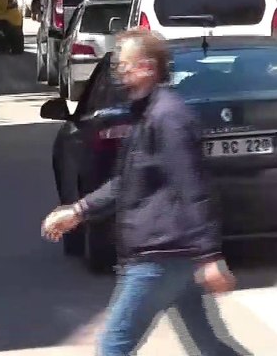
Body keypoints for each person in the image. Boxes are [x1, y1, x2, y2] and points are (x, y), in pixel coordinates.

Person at [40, 29, 238, 356]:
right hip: (172, 253)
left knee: (113, 347)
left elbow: (192, 185)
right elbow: (126, 183)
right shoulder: (146, 115)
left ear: (148, 67)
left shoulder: (167, 117)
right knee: (208, 346)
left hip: (161, 255)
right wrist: (78, 211)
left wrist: (209, 255)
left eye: (125, 65)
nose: (119, 71)